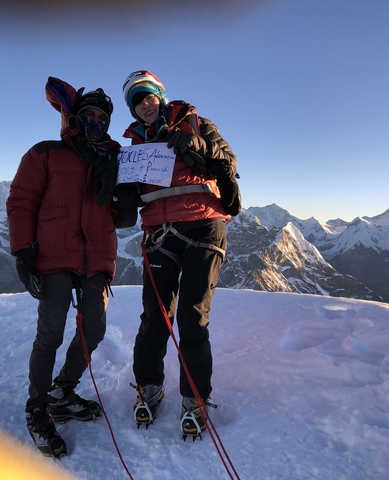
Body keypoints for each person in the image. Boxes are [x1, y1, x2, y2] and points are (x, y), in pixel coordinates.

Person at [117, 70, 241, 439]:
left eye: (148, 96)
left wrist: (198, 146)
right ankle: (149, 387)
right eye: (137, 100)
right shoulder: (134, 145)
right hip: (160, 234)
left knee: (191, 317)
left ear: (160, 95)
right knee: (155, 316)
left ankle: (195, 398)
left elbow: (228, 160)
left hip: (203, 226)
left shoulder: (197, 123)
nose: (144, 104)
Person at [6, 77, 120, 458]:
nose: (94, 123)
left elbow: (121, 215)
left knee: (95, 328)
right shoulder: (46, 153)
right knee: (50, 332)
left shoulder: (114, 160)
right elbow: (22, 200)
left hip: (97, 257)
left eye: (101, 119)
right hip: (55, 255)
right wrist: (24, 252)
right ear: (74, 118)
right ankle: (37, 408)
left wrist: (124, 196)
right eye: (88, 116)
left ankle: (62, 392)